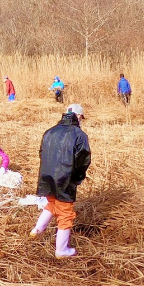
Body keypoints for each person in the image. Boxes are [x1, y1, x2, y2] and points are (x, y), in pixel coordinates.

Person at [32, 104, 91, 258]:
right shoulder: (80, 135)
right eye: (81, 117)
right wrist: (77, 178)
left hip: (46, 177)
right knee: (65, 214)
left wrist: (47, 172)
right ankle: (61, 250)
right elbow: (83, 161)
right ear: (78, 116)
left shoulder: (49, 131)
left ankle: (36, 231)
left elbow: (41, 153)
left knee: (51, 204)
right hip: (65, 179)